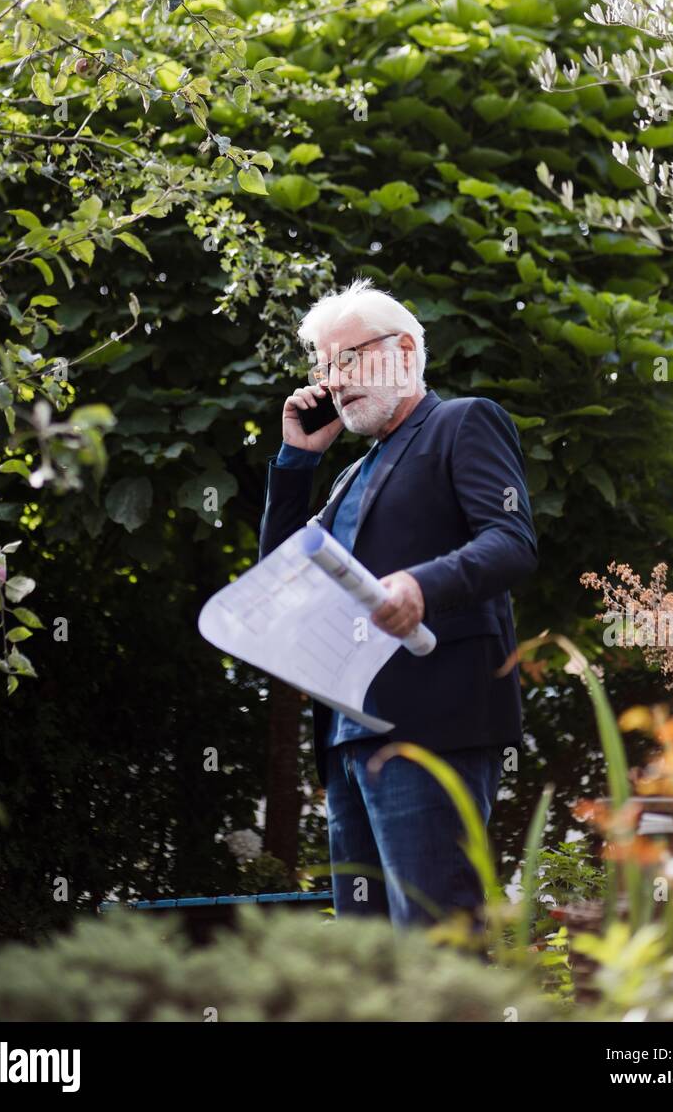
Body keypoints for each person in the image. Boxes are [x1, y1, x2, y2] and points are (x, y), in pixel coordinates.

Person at [258, 277, 537, 936]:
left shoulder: (462, 421)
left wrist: (420, 585)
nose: (333, 380)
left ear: (405, 350)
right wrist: (297, 463)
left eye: (348, 358)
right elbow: (282, 578)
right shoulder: (353, 474)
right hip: (349, 735)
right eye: (325, 365)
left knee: (436, 941)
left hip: (434, 722)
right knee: (372, 960)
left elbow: (511, 543)